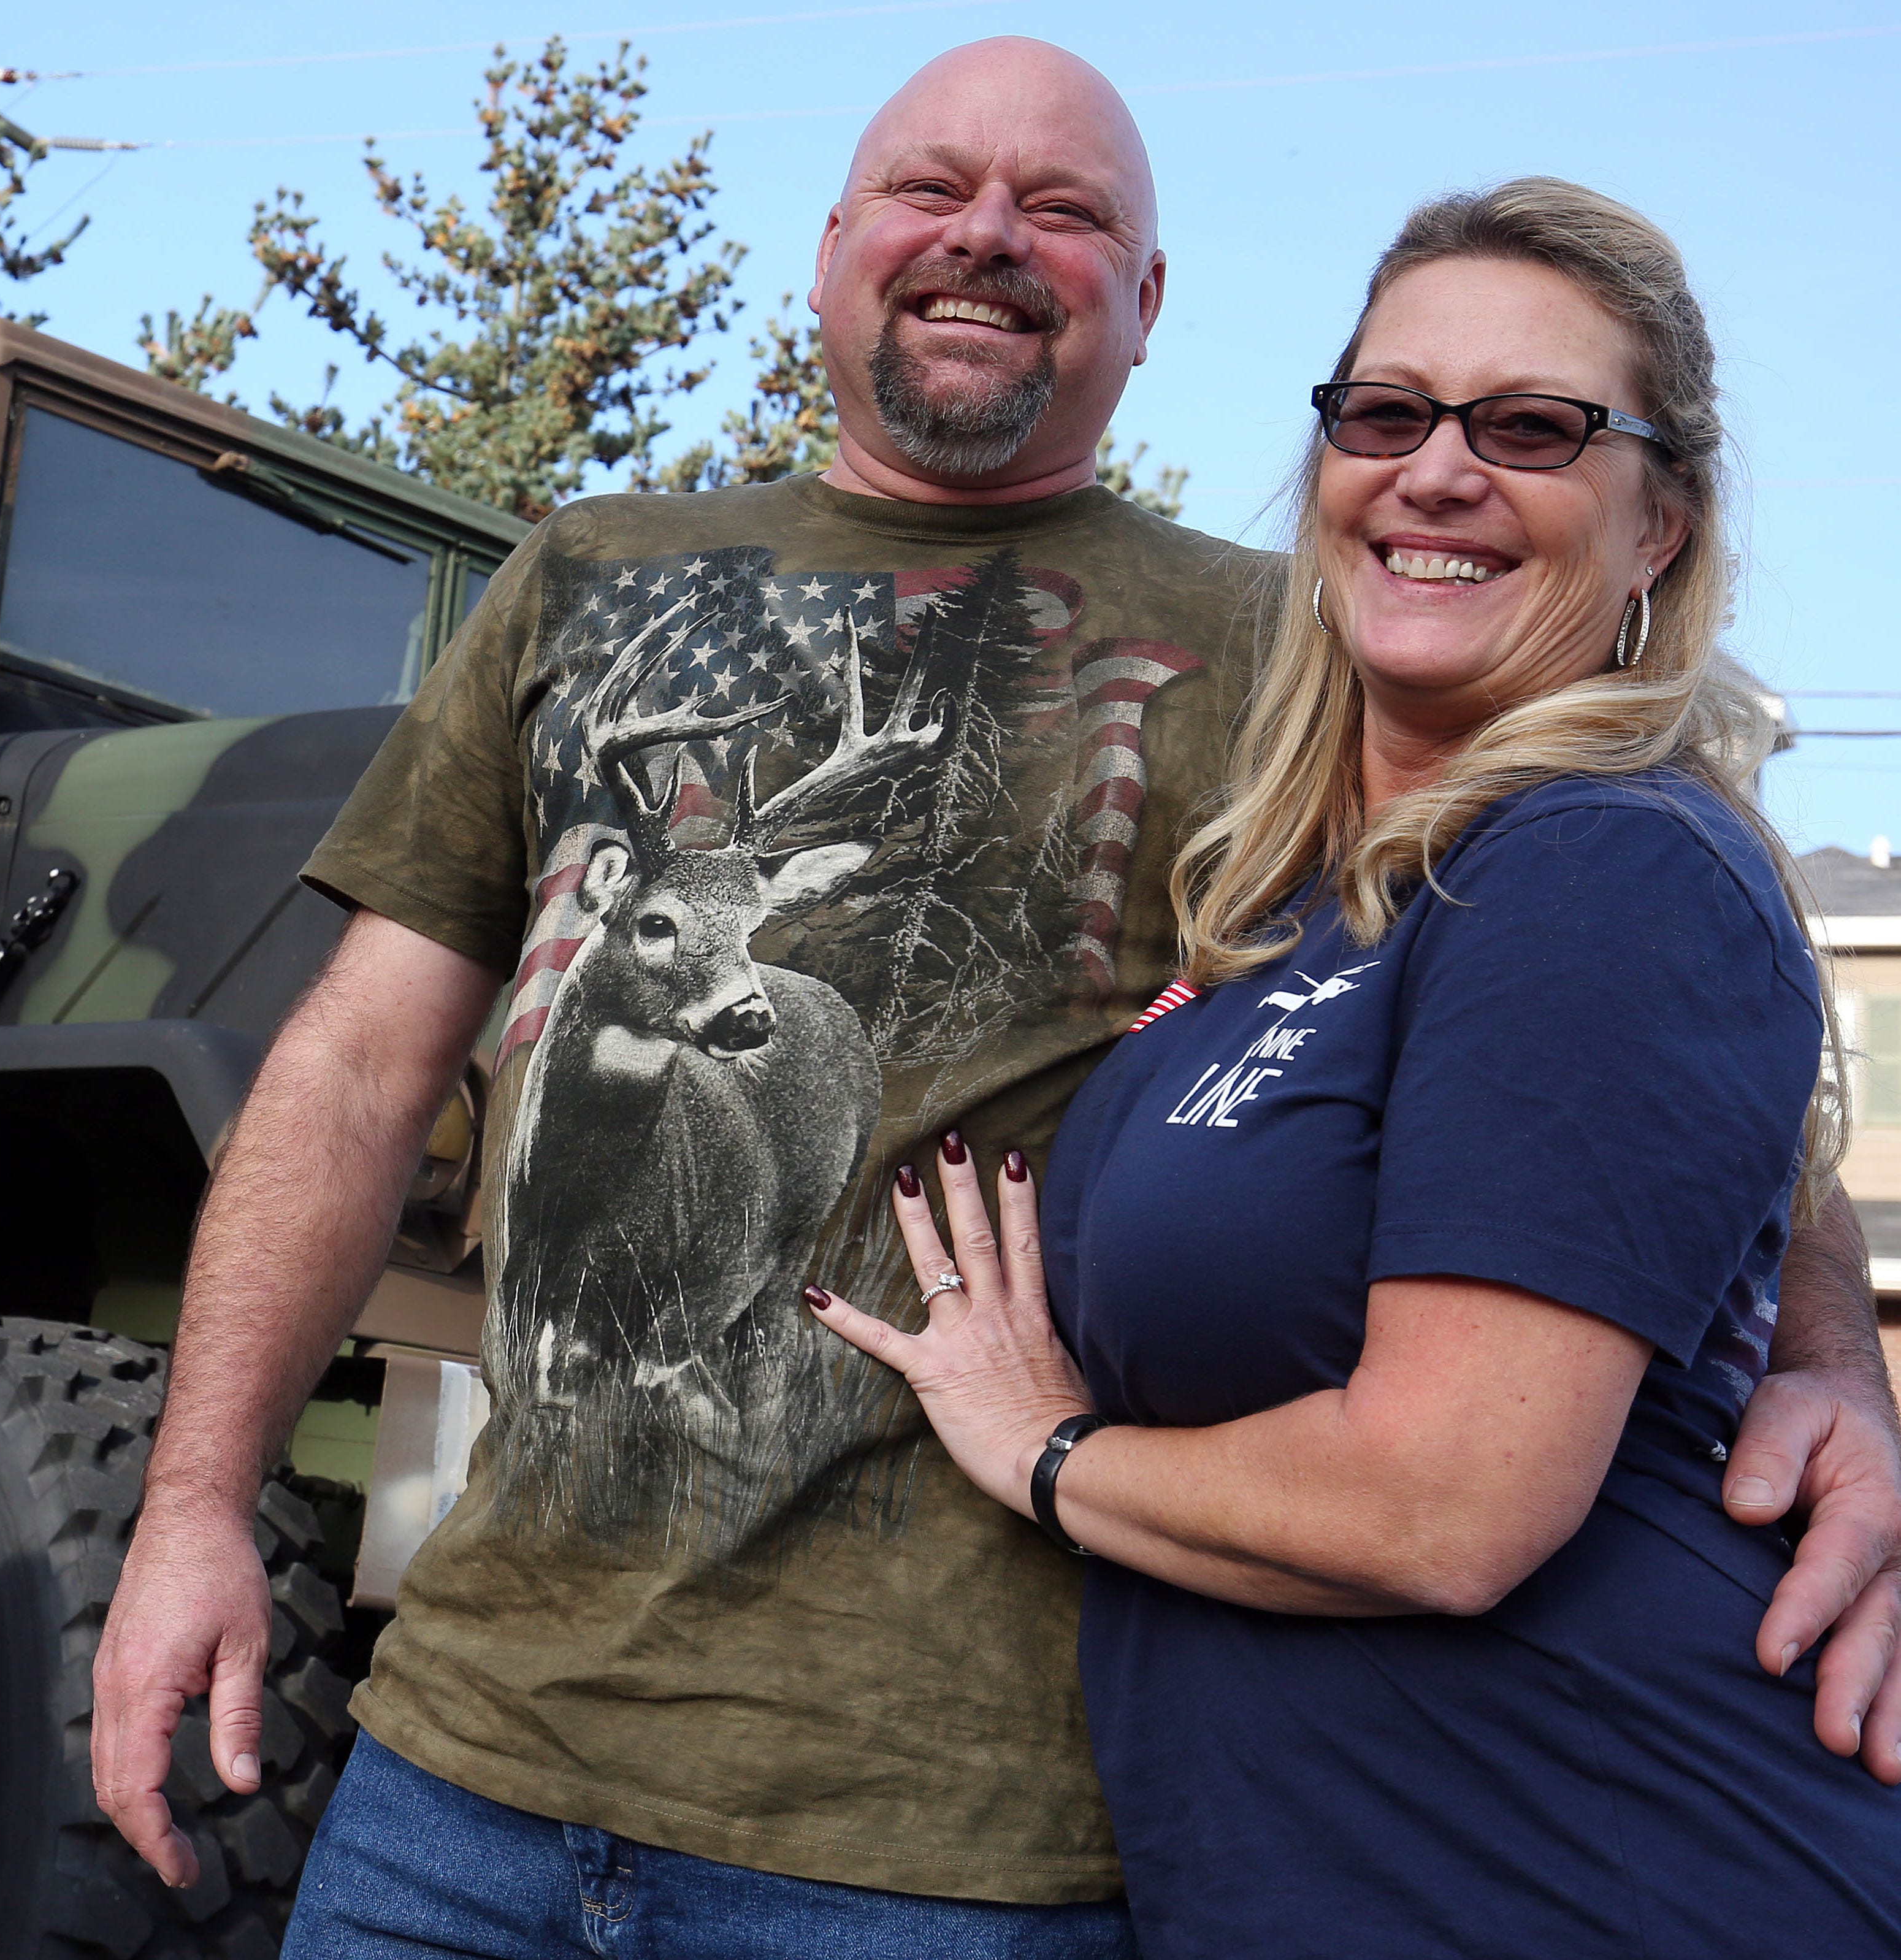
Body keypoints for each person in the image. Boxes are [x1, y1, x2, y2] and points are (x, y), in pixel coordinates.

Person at [91, 42, 1901, 1958]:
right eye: (927, 186)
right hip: (467, 1751)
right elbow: (358, 1069)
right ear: (830, 245)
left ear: (1146, 304)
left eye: (1066, 210)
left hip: (954, 1830)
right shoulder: (580, 578)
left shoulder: (1317, 642)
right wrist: (194, 1499)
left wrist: (1819, 1379)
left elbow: (1620, 1019)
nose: (983, 236)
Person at [809, 178, 1901, 1954]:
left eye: (1534, 426)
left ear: (1657, 531)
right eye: (1384, 413)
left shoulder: (1600, 858)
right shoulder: (1300, 896)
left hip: (1614, 1873)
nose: (1436, 469)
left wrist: (1045, 1450)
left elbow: (1445, 1503)